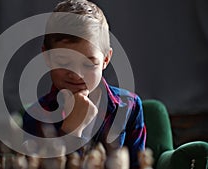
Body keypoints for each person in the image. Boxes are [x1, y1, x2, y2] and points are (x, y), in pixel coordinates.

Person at [22, 0, 146, 168]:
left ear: (106, 59)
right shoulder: (36, 116)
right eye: (64, 63)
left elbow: (138, 164)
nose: (76, 75)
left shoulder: (129, 106)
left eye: (88, 64)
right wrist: (72, 131)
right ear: (47, 57)